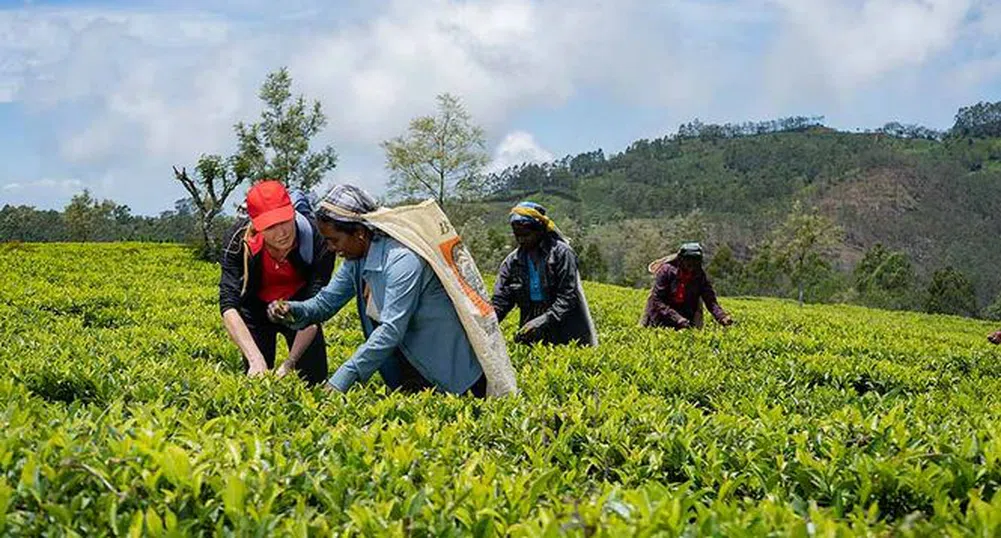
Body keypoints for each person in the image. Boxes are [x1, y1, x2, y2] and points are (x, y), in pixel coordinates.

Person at [266, 184, 487, 397]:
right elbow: (325, 303)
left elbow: (391, 329)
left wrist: (341, 379)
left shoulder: (402, 259)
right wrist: (290, 309)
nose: (331, 248)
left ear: (360, 233)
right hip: (409, 370)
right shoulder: (356, 261)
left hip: (451, 375)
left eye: (334, 240)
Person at [218, 180, 334, 384]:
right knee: (258, 380)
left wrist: (290, 363)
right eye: (270, 226)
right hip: (255, 308)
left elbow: (315, 305)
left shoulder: (318, 239)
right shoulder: (237, 242)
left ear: (292, 212)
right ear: (256, 225)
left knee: (314, 380)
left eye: (284, 221)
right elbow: (229, 305)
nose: (281, 233)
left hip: (301, 307)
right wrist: (255, 361)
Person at [491, 202, 597, 346]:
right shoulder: (512, 262)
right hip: (531, 327)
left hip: (564, 328)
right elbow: (501, 300)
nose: (521, 240)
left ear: (540, 231)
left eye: (526, 235)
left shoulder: (561, 254)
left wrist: (543, 320)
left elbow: (567, 297)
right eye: (518, 236)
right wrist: (488, 324)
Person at [640, 242, 733, 330]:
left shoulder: (699, 276)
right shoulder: (667, 271)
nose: (691, 264)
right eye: (689, 260)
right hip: (660, 316)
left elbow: (710, 300)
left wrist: (722, 317)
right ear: (681, 259)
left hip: (685, 317)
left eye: (695, 261)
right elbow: (658, 300)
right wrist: (677, 318)